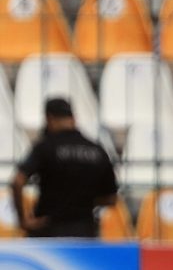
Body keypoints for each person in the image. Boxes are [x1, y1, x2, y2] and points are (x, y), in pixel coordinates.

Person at [10, 98, 118, 238]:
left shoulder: (46, 146)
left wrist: (23, 220)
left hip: (49, 232)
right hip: (85, 233)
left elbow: (18, 181)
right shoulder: (97, 150)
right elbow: (111, 199)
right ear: (73, 118)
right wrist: (82, 200)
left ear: (49, 118)